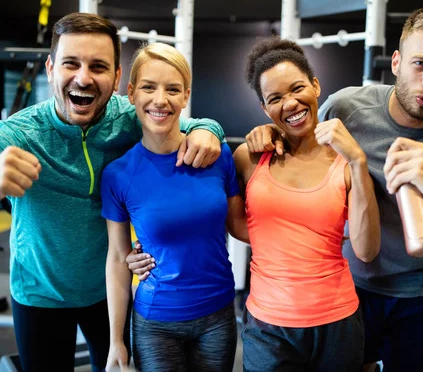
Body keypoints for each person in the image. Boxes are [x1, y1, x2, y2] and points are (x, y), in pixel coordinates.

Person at [0, 13, 226, 372]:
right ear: (51, 68)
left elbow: (188, 123)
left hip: (108, 292)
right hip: (41, 294)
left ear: (117, 78)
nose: (83, 77)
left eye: (98, 66)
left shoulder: (131, 117)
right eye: (71, 63)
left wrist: (209, 130)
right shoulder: (19, 134)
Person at [246, 7, 423, 372]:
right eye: (420, 64)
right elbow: (298, 134)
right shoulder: (345, 107)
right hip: (346, 289)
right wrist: (270, 135)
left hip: (418, 296)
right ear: (396, 62)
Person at [129, 37, 381, 371]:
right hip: (267, 323)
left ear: (316, 86)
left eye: (297, 89)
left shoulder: (347, 160)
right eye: (275, 98)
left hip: (337, 320)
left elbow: (365, 250)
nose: (289, 103)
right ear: (265, 108)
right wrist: (147, 245)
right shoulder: (249, 158)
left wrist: (359, 161)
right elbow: (231, 223)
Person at [101, 42, 248, 372]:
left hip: (218, 314)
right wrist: (116, 340)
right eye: (149, 87)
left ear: (186, 96)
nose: (160, 99)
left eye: (173, 89)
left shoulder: (217, 155)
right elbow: (117, 257)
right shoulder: (118, 174)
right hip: (156, 322)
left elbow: (241, 224)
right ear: (131, 93)